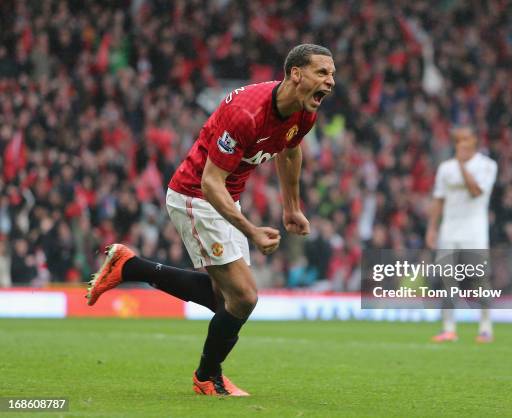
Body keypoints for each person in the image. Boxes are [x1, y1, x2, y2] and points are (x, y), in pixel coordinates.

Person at [86, 44, 335, 396]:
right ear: (296, 74)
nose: (331, 81)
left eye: (332, 74)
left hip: (224, 197)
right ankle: (207, 376)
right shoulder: (247, 113)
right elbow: (210, 182)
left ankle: (130, 267)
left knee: (228, 302)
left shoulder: (304, 112)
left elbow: (290, 149)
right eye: (323, 72)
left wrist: (291, 207)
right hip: (195, 196)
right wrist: (251, 231)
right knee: (245, 297)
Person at [425, 126, 497, 343]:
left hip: (475, 230)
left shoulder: (487, 165)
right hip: (449, 229)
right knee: (447, 279)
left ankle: (485, 327)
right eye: (458, 140)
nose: (462, 144)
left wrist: (463, 166)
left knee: (479, 279)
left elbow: (476, 192)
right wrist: (432, 227)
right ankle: (448, 328)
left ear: (475, 140)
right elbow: (439, 199)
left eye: (466, 139)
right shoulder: (445, 168)